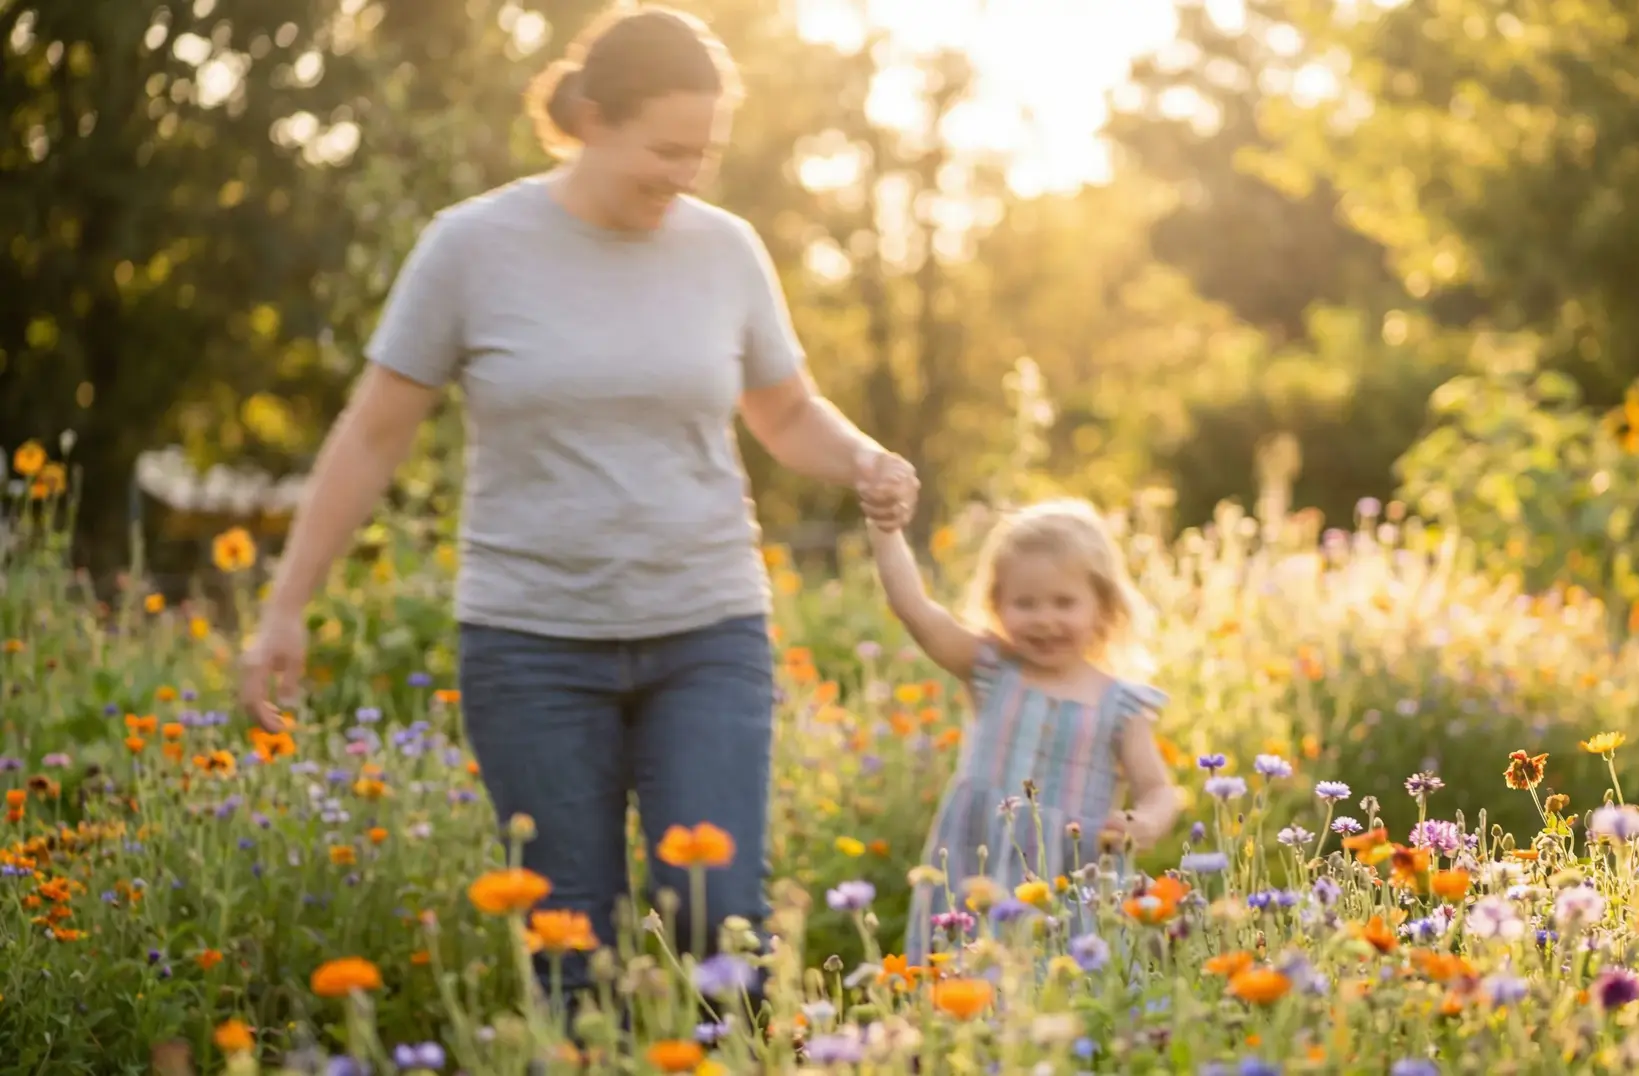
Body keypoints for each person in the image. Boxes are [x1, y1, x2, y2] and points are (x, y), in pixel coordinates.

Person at [237, 3, 917, 1006]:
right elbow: (373, 430)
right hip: (531, 644)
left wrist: (864, 456)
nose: (687, 174)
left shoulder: (725, 250)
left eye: (707, 152)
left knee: (717, 915)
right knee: (571, 948)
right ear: (591, 117)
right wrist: (285, 603)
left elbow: (786, 413)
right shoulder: (470, 247)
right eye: (666, 149)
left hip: (706, 631)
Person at [867, 498, 1179, 964]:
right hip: (978, 871)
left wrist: (1146, 821)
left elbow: (1158, 789)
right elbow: (914, 609)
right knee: (964, 981)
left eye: (1064, 602)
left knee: (1061, 995)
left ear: (1103, 605)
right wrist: (884, 526)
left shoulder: (1119, 704)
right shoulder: (990, 670)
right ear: (997, 605)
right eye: (1025, 603)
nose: (1045, 619)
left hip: (1069, 884)